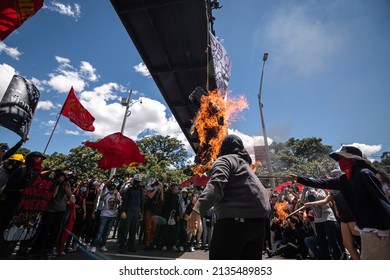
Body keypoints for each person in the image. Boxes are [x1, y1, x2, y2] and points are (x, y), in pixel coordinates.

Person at [288, 145, 390, 260]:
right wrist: (299, 178)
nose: (340, 162)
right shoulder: (343, 179)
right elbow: (321, 183)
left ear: (353, 160)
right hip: (365, 227)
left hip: (379, 227)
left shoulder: (364, 173)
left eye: (343, 158)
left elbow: (381, 199)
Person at [187, 134, 271, 259]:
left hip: (234, 226)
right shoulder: (245, 166)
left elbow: (215, 185)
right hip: (258, 226)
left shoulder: (225, 160)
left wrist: (197, 209)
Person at [118, 174, 144, 253]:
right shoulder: (129, 189)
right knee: (125, 229)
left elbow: (142, 202)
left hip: (136, 212)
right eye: (136, 181)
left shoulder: (140, 190)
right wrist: (123, 211)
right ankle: (123, 246)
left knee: (133, 230)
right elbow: (125, 201)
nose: (137, 183)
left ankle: (131, 246)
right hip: (128, 211)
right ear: (134, 181)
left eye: (138, 181)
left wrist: (141, 212)